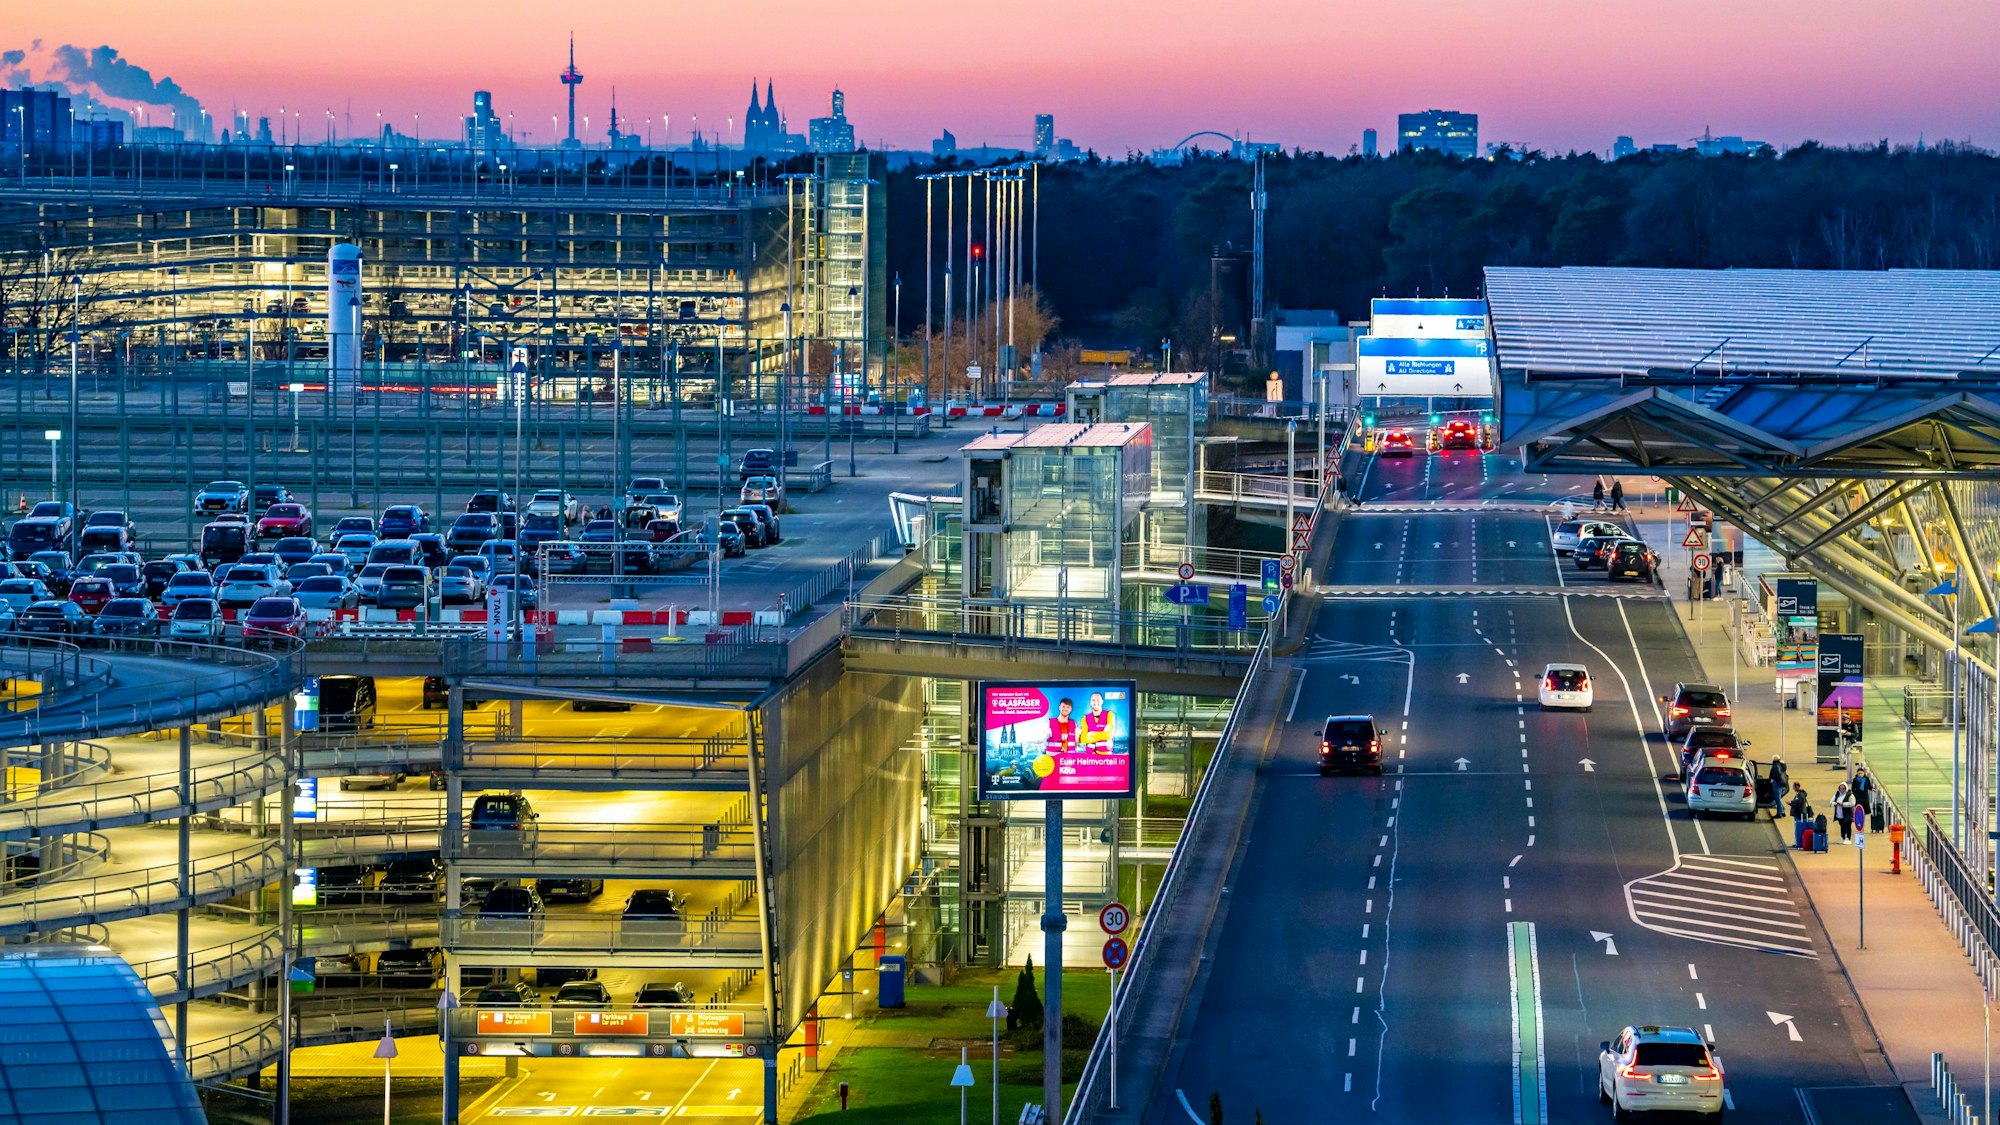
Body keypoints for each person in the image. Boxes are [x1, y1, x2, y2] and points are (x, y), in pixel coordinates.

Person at [1788, 783, 1811, 848]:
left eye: (1793, 787)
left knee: (1798, 829)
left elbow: (1797, 804)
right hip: (1801, 814)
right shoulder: (1801, 794)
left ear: (1797, 787)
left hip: (1799, 814)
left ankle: (1798, 843)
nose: (1793, 788)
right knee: (1799, 828)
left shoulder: (1800, 795)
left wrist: (1790, 803)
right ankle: (1798, 842)